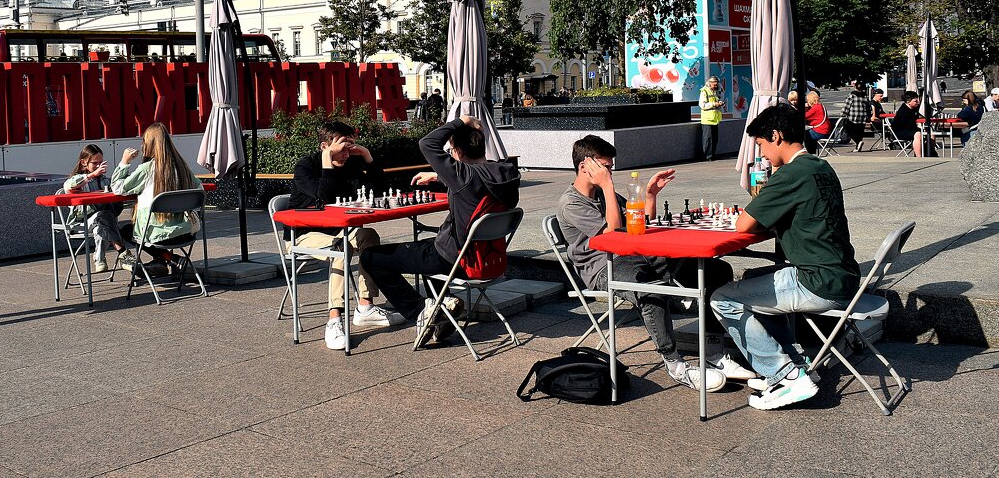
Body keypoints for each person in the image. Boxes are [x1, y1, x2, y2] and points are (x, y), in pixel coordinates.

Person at [557, 135, 745, 391]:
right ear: (585, 166)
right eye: (606, 167)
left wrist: (650, 194)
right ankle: (675, 363)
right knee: (650, 289)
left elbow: (640, 222)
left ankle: (713, 351)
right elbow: (611, 234)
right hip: (603, 267)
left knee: (716, 270)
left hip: (636, 255)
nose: (609, 172)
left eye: (610, 167)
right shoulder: (572, 202)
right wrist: (608, 186)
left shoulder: (604, 193)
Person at [711, 104, 859, 410]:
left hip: (818, 281)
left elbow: (743, 224)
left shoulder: (791, 173)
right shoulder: (820, 166)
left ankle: (786, 375)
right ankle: (796, 363)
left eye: (763, 145)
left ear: (776, 136)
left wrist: (773, 178)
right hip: (843, 273)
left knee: (723, 299)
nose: (762, 154)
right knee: (754, 282)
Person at [360, 115, 520, 348]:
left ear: (456, 151)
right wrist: (440, 175)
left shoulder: (463, 175)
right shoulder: (506, 173)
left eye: (451, 149)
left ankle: (422, 311)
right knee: (424, 245)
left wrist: (461, 120)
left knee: (371, 258)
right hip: (489, 261)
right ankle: (444, 304)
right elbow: (477, 183)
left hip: (455, 260)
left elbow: (426, 143)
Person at [289, 120, 404, 349]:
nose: (347, 153)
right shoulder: (305, 167)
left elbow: (378, 192)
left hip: (341, 230)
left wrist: (368, 158)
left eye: (351, 146)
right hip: (304, 234)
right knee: (340, 247)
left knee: (368, 235)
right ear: (325, 146)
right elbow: (325, 197)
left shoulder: (350, 164)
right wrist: (326, 162)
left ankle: (365, 307)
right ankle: (334, 320)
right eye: (342, 148)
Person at [110, 122, 202, 279]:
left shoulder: (147, 169)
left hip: (158, 234)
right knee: (139, 231)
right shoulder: (182, 167)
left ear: (150, 144)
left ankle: (169, 258)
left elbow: (118, 188)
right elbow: (199, 190)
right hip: (186, 232)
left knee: (126, 231)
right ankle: (164, 260)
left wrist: (124, 162)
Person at [63, 145, 137, 273]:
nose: (98, 166)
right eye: (94, 163)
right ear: (83, 162)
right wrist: (91, 175)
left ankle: (99, 258)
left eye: (100, 163)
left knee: (102, 223)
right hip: (81, 222)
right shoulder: (79, 178)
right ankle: (123, 252)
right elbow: (69, 186)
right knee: (103, 216)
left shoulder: (104, 181)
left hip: (102, 220)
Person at [839, 82, 871, 152]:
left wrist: (843, 114)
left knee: (848, 129)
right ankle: (858, 146)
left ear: (855, 87)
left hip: (853, 116)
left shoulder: (852, 95)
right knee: (860, 131)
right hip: (863, 117)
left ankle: (858, 142)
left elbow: (847, 105)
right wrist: (869, 116)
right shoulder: (865, 96)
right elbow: (868, 107)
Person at [699, 76, 725, 160]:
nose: (716, 86)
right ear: (710, 83)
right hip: (707, 119)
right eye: (715, 84)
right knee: (708, 139)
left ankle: (712, 155)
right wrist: (714, 104)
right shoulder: (704, 91)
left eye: (717, 84)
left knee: (714, 139)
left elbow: (715, 101)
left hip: (715, 119)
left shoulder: (715, 92)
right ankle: (707, 156)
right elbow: (702, 105)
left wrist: (720, 103)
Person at [891, 91, 923, 156]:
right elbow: (908, 125)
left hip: (909, 129)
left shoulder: (914, 108)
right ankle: (919, 157)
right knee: (918, 134)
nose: (918, 102)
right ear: (908, 102)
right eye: (915, 101)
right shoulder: (903, 111)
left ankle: (931, 153)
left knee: (930, 133)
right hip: (900, 132)